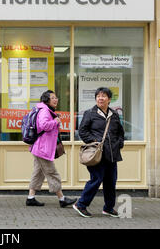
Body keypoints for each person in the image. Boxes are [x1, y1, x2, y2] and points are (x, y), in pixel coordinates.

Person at [73, 87, 125, 218]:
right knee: (96, 179)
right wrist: (94, 141)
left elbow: (120, 132)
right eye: (98, 96)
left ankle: (108, 208)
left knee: (111, 182)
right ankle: (81, 205)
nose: (100, 98)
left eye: (103, 96)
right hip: (97, 153)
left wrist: (119, 143)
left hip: (112, 154)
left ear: (109, 99)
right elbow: (82, 131)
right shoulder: (90, 113)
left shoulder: (114, 114)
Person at [26, 90, 76, 208]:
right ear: (47, 100)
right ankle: (62, 199)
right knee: (52, 173)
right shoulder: (44, 111)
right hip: (42, 148)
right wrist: (55, 121)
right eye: (53, 98)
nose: (56, 99)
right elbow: (44, 125)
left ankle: (30, 198)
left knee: (38, 173)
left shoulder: (45, 110)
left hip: (39, 147)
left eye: (56, 97)